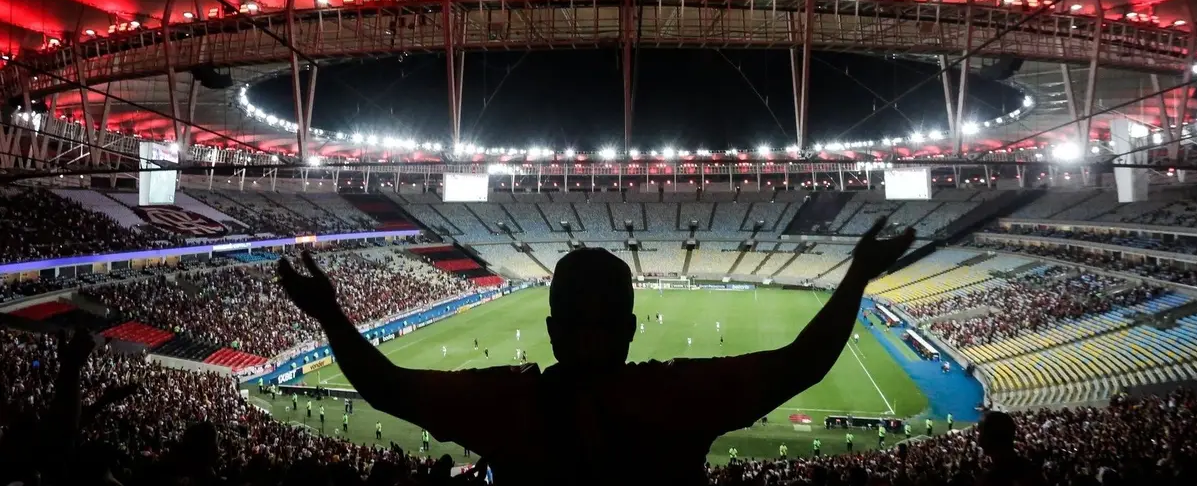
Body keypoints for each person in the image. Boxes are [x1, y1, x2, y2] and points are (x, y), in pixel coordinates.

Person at [276, 217, 914, 485]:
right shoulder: (674, 398)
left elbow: (387, 386)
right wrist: (856, 275)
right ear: (633, 326)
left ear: (549, 331)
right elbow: (801, 362)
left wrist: (331, 311)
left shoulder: (510, 405)